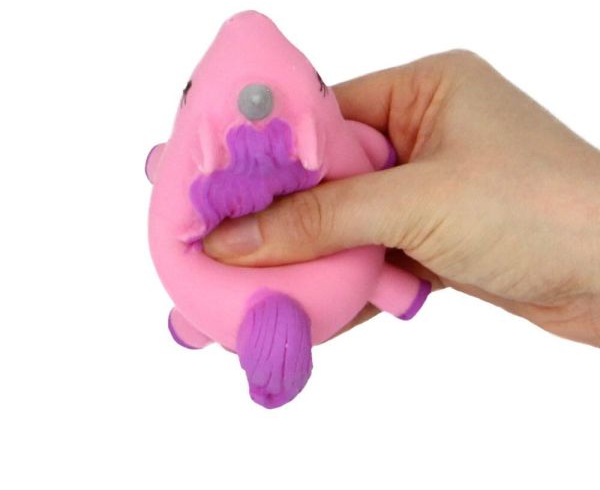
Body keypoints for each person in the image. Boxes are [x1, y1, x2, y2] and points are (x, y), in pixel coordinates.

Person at [203, 50, 600, 347]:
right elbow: (376, 149)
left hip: (343, 278)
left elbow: (373, 149)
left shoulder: (333, 140)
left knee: (367, 271)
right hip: (356, 279)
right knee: (372, 275)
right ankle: (392, 288)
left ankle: (194, 325)